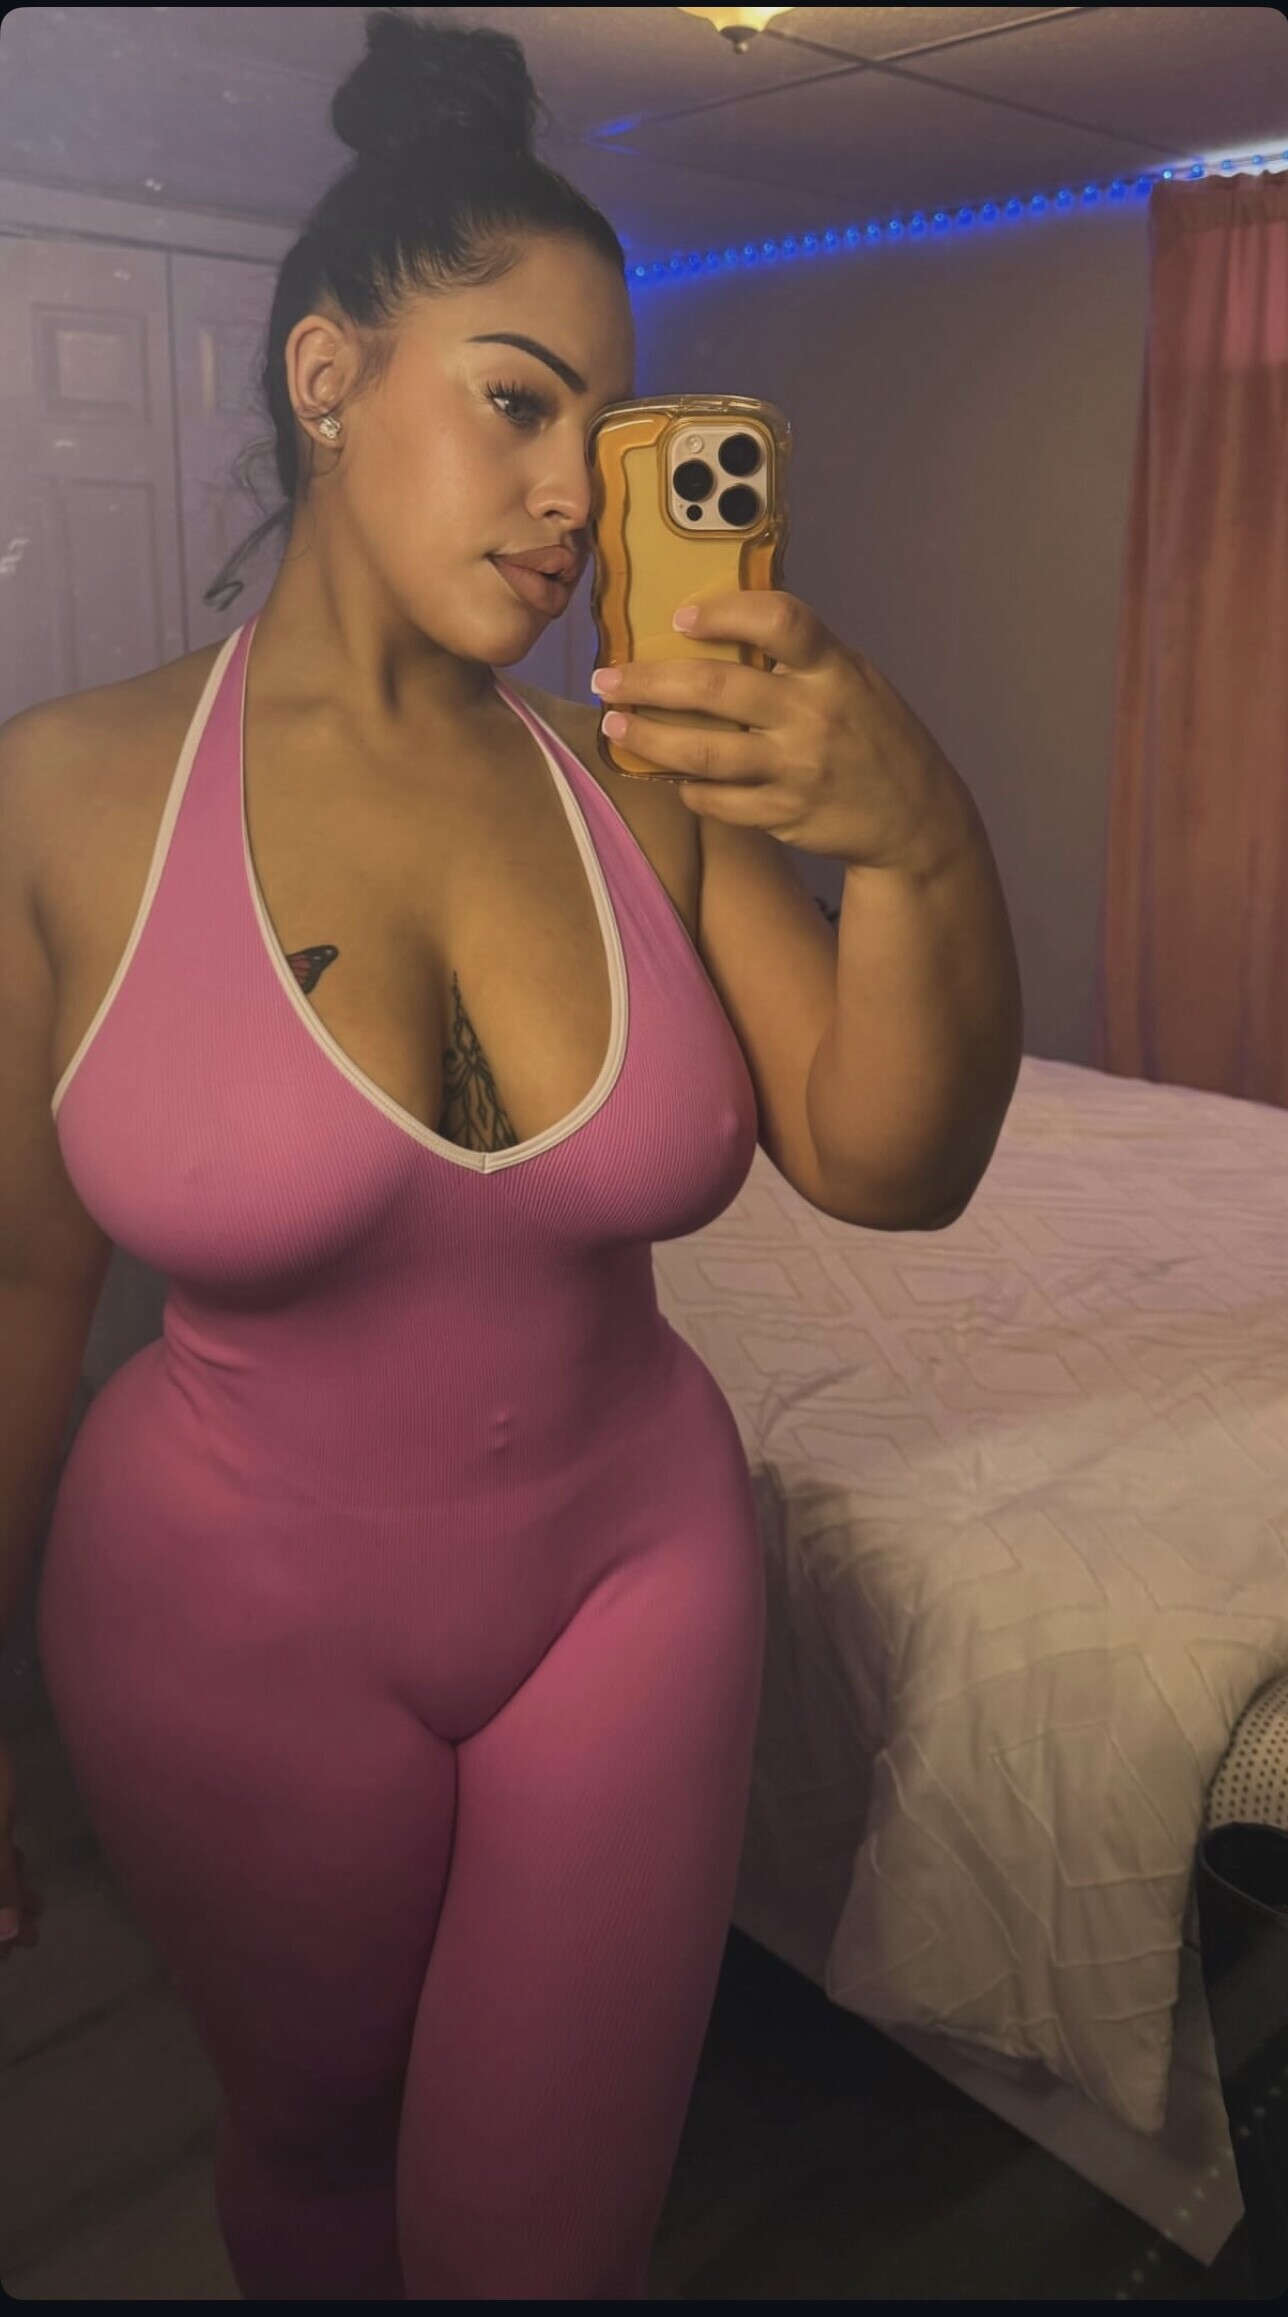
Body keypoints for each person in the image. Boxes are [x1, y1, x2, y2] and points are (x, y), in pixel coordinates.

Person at [8, 9, 768, 2300]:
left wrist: (897, 818)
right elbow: (21, 1284)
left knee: (545, 2233)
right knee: (318, 2156)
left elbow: (882, 1129)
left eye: (602, 439)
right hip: (221, 1628)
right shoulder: (60, 791)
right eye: (517, 403)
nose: (571, 500)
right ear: (327, 376)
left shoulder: (632, 778)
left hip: (633, 1575)